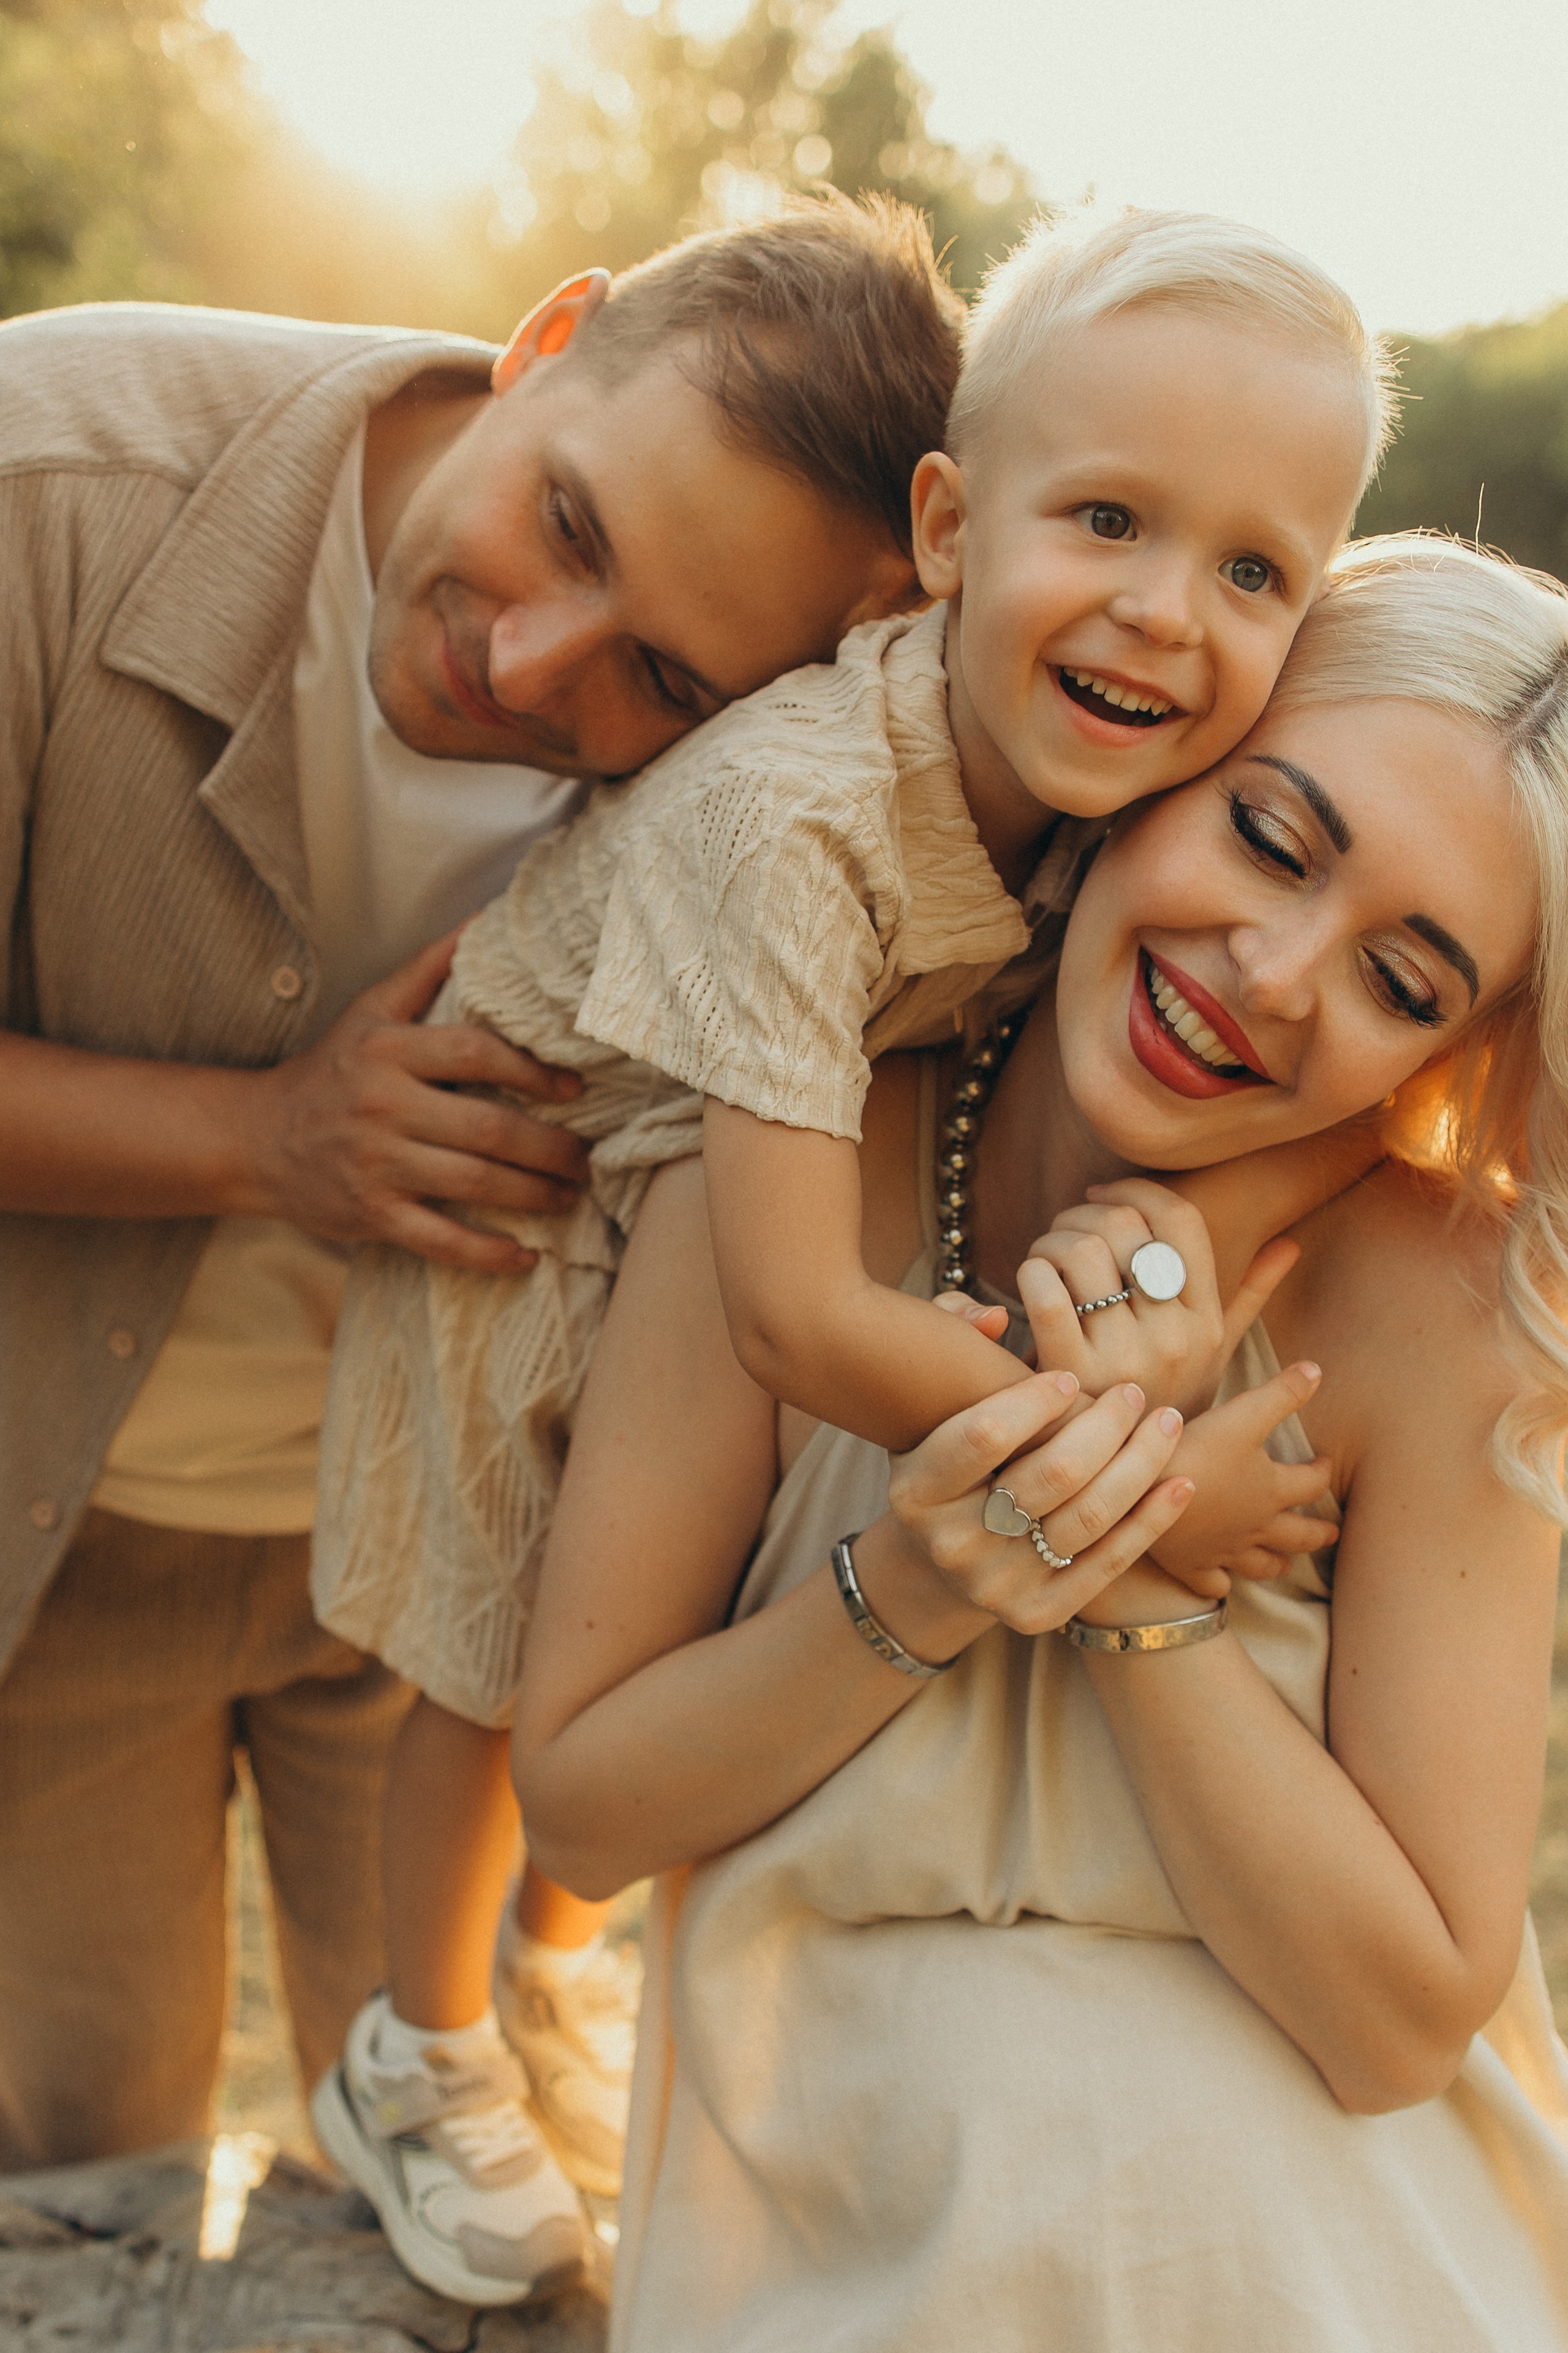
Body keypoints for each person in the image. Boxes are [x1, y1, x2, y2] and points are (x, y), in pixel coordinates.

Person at [311, 205, 1387, 2288]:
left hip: (705, 1168)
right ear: (952, 530)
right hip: (520, 1165)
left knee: (691, 1565)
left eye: (1255, 571)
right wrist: (1142, 1497)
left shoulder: (1103, 776)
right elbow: (804, 1316)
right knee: (495, 1632)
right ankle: (414, 2042)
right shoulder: (795, 819)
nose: (1171, 617)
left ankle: (555, 1974)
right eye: (1111, 521)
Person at [0, 192, 959, 2204]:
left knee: (496, 2179)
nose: (531, 662)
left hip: (451, 1587)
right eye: (575, 528)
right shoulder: (46, 486)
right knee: (94, 2170)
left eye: (666, 687)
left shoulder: (809, 761)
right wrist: (267, 1141)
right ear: (548, 337)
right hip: (67, 1537)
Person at [511, 535, 1568, 2350]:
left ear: (1453, 1048)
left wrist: (1121, 1551)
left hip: (1325, 2271)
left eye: (1405, 977)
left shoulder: (1444, 1310)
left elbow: (1399, 2020)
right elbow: (590, 1802)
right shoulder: (791, 1163)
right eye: (1270, 835)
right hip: (829, 2244)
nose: (1273, 971)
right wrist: (926, 1574)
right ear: (1163, 758)